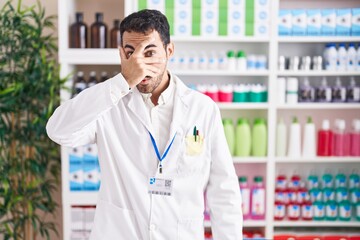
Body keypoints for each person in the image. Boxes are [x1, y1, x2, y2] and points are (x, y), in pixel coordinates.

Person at [47, 9, 243, 240]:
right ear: (121, 54)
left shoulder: (203, 109)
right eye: (131, 54)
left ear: (169, 51)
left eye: (149, 53)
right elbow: (58, 131)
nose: (140, 65)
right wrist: (123, 81)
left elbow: (224, 192)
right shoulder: (108, 105)